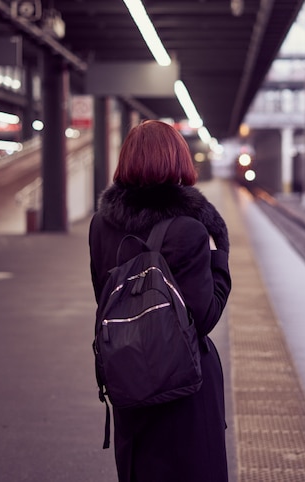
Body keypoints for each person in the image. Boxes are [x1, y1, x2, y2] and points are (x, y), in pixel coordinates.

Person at [89, 120, 232, 482]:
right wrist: (219, 257)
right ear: (178, 162)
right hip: (184, 386)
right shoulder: (190, 229)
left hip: (127, 374)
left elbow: (104, 299)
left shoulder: (100, 226)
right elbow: (205, 315)